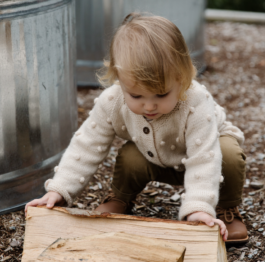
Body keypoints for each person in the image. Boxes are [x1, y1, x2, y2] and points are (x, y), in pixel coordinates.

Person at [25, 13, 248, 244]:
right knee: (130, 155)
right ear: (119, 79)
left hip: (210, 155)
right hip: (156, 158)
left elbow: (204, 159)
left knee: (228, 155)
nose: (149, 105)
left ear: (181, 79)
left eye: (161, 94)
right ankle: (121, 198)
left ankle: (226, 208)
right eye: (136, 95)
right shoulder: (112, 101)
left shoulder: (195, 101)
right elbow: (86, 145)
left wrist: (198, 209)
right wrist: (58, 190)